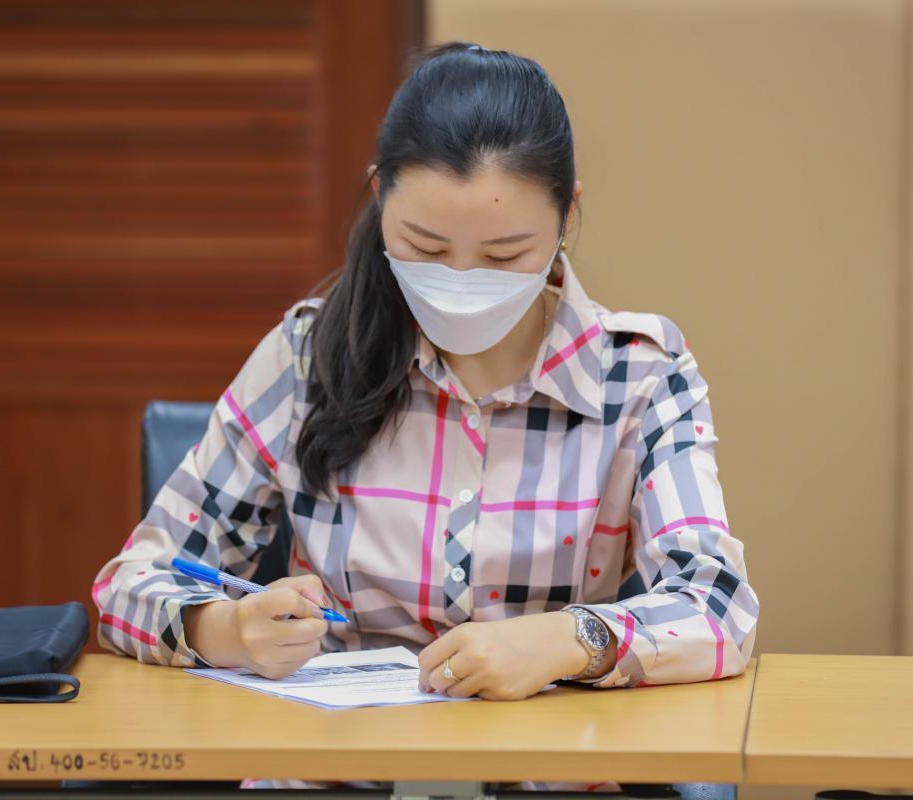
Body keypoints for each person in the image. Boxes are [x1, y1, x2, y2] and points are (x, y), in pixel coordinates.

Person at [92, 40, 759, 792]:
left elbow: (718, 607)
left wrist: (569, 640)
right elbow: (129, 586)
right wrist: (227, 630)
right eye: (425, 246)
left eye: (504, 255)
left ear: (567, 215)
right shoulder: (309, 356)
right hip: (332, 777)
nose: (461, 283)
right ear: (380, 198)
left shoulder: (638, 374)